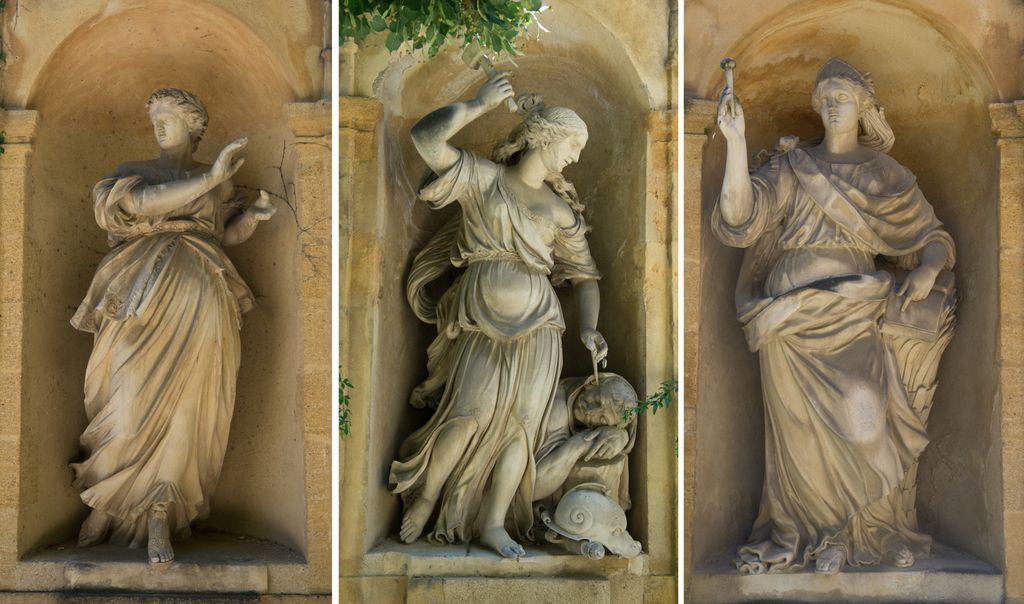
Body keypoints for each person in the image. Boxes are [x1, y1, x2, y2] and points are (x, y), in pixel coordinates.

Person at [713, 58, 955, 574]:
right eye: (823, 97)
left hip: (853, 310)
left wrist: (929, 272)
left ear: (865, 106)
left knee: (863, 423)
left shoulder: (884, 174)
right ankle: (816, 537)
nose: (830, 105)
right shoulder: (792, 167)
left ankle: (863, 531)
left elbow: (934, 239)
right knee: (797, 436)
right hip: (788, 321)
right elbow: (739, 220)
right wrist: (735, 142)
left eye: (841, 96)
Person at [389, 73, 607, 559]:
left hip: (541, 326)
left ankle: (493, 522)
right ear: (545, 137)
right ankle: (426, 498)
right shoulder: (484, 180)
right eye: (572, 144)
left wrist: (590, 326)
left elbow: (585, 277)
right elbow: (426, 138)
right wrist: (479, 104)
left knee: (522, 427)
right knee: (469, 413)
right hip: (480, 315)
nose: (575, 157)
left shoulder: (560, 212)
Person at [70, 88, 276, 564]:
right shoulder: (133, 172)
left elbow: (218, 235)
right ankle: (109, 498)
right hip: (137, 295)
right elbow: (140, 206)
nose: (159, 125)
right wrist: (211, 177)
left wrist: (250, 220)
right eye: (155, 118)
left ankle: (160, 509)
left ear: (194, 125)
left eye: (169, 117)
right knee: (126, 394)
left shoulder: (217, 185)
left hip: (203, 293)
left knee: (189, 404)